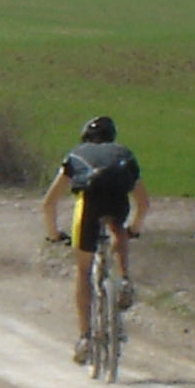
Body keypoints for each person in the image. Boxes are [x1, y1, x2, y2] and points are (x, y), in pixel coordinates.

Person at [41, 115, 150, 364]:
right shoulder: (123, 155)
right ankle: (123, 279)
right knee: (116, 226)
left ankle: (85, 338)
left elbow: (49, 203)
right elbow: (143, 203)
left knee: (83, 271)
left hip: (89, 205)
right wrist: (134, 229)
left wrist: (54, 234)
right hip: (117, 201)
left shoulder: (76, 155)